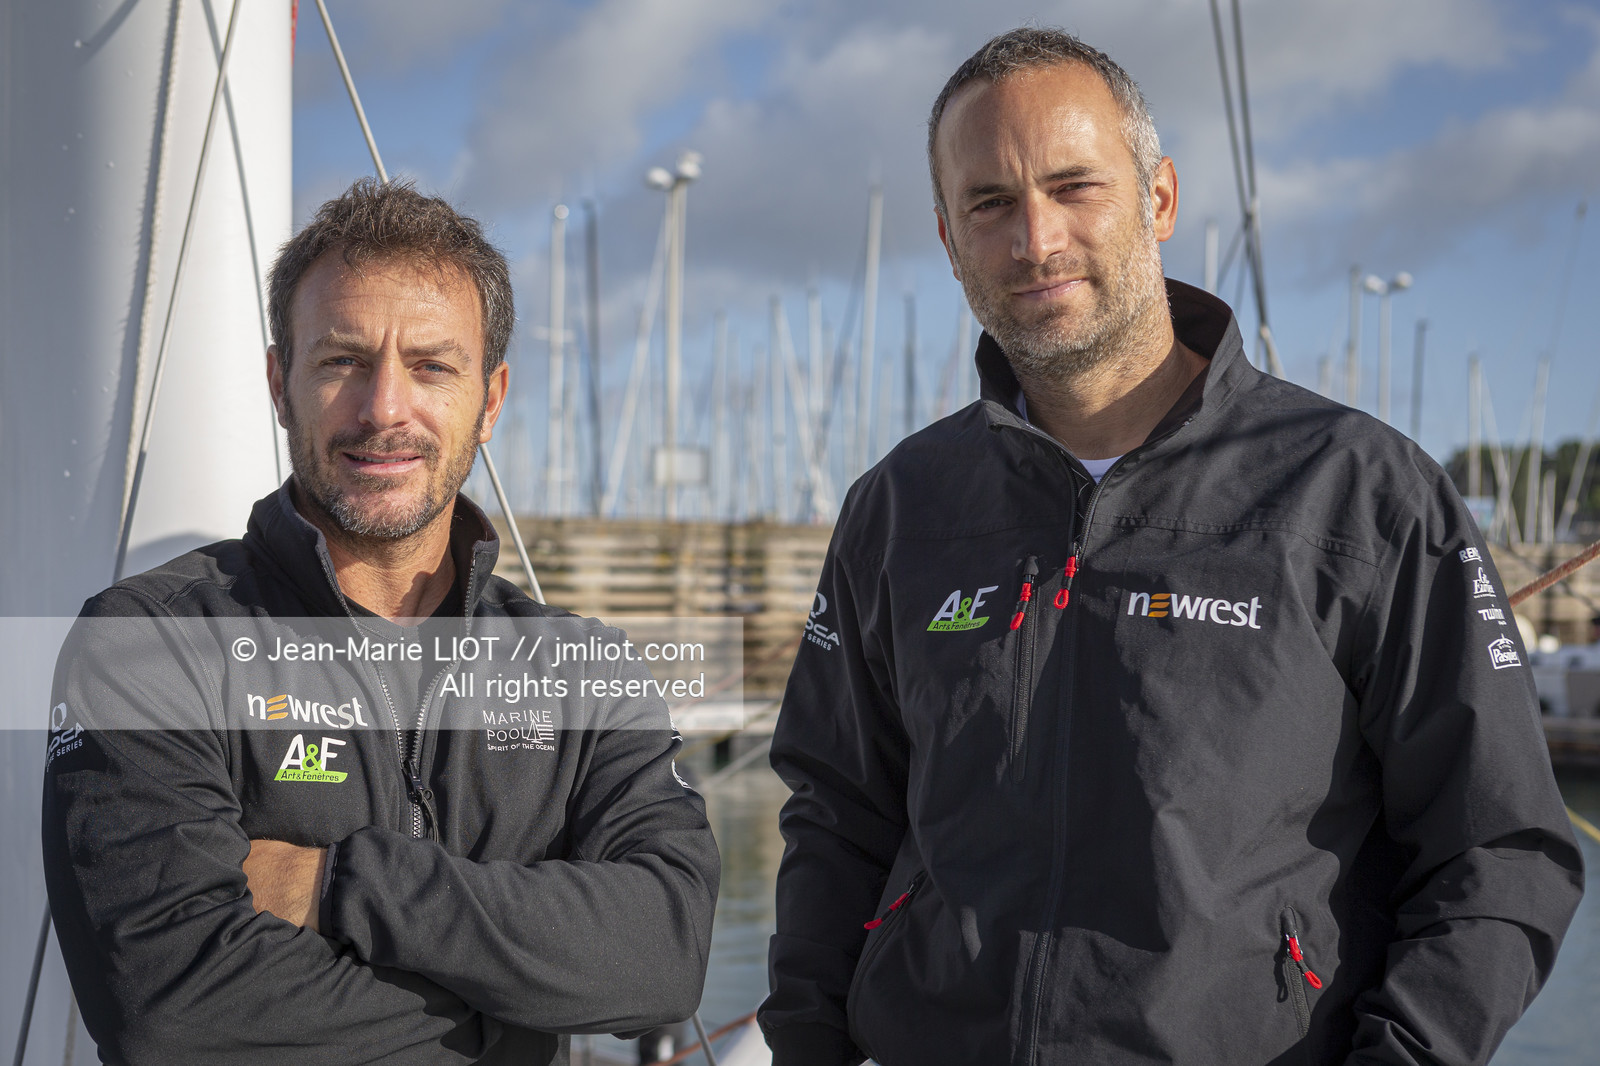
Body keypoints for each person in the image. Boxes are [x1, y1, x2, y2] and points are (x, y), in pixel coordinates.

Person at [759, 27, 1582, 1066]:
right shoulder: (899, 506)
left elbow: (1501, 849)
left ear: (1158, 200)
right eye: (990, 204)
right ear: (947, 236)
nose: (1035, 240)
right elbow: (836, 820)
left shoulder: (1361, 493)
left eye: (1072, 188)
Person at [42, 179, 720, 1064]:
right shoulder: (148, 645)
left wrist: (335, 883)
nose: (384, 409)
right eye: (341, 362)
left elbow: (662, 956)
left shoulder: (582, 670)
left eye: (433, 366)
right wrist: (513, 1008)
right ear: (280, 382)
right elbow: (170, 1011)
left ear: (492, 398)